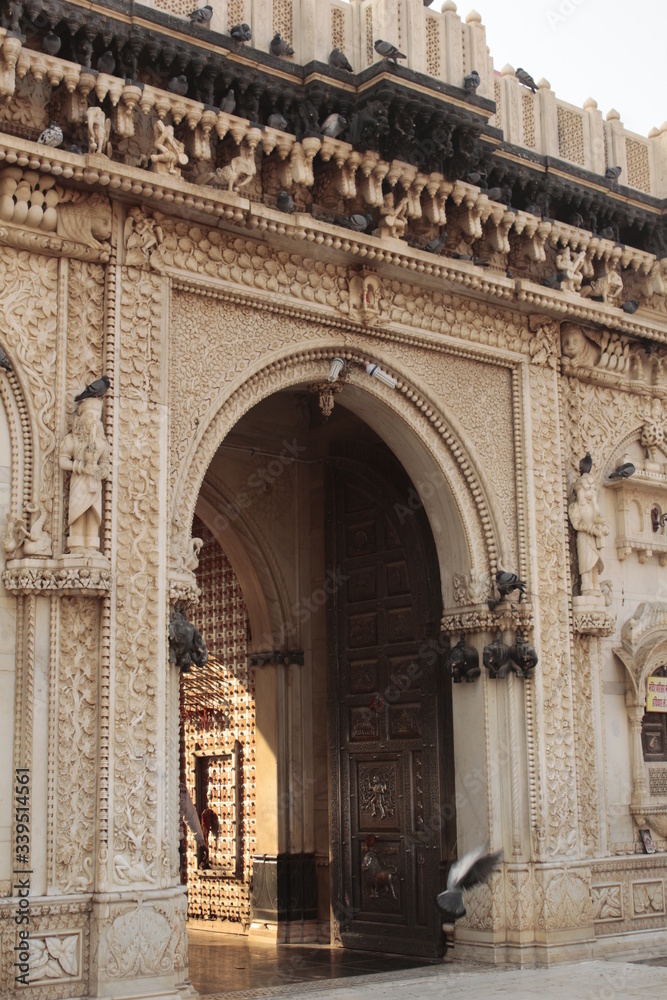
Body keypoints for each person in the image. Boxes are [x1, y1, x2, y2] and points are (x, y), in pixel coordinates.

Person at [59, 396, 109, 550]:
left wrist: (100, 471)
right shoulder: (72, 440)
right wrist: (80, 467)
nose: (93, 420)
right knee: (78, 511)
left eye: (96, 417)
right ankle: (77, 545)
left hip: (93, 483)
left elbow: (105, 464)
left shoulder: (102, 443)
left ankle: (92, 545)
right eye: (90, 416)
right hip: (79, 481)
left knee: (93, 514)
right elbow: (63, 460)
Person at [568, 473, 609, 595]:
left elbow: (601, 521)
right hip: (584, 538)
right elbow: (576, 525)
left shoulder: (593, 508)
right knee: (587, 563)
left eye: (592, 488)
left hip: (594, 539)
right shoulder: (576, 507)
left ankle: (596, 586)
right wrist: (591, 529)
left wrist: (604, 529)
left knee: (596, 564)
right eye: (588, 488)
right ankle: (587, 587)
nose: (591, 491)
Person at [180, 781, 206, 872]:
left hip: (176, 841)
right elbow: (190, 816)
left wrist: (201, 841)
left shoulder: (181, 789)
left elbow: (191, 815)